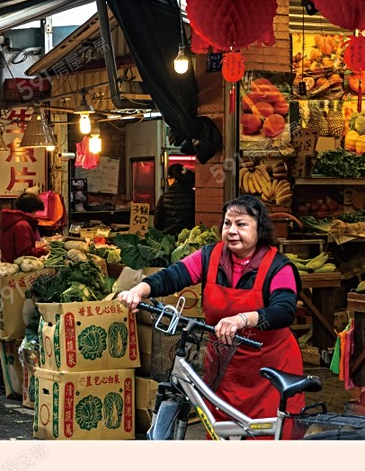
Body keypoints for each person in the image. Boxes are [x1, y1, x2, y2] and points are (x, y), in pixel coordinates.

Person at [116, 195, 304, 439]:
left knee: (268, 443)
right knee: (220, 437)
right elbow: (173, 276)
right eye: (227, 224)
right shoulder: (211, 257)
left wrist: (243, 319)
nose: (232, 231)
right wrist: (139, 290)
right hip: (223, 370)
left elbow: (285, 310)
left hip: (270, 373)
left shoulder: (279, 266)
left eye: (241, 224)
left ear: (260, 228)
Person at [0, 193, 48, 264]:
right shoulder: (22, 225)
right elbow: (25, 252)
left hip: (9, 265)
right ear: (33, 209)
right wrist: (43, 251)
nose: (36, 215)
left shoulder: (12, 220)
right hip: (17, 267)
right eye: (36, 211)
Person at [154, 164, 196, 237]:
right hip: (189, 239)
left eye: (169, 178)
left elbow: (157, 224)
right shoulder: (194, 196)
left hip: (169, 240)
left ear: (174, 179)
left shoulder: (164, 198)